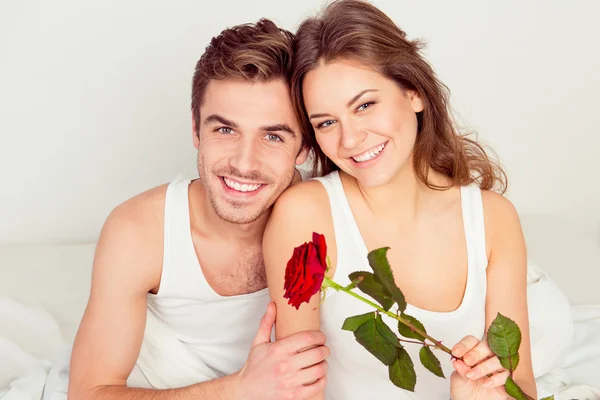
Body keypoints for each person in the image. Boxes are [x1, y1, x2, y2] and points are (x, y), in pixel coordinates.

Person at [264, 1, 536, 399]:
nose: (350, 139)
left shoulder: (493, 219)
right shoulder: (306, 215)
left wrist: (483, 394)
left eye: (365, 105)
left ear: (414, 94)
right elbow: (297, 389)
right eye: (326, 122)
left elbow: (521, 384)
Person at [65, 19, 330, 400]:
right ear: (195, 129)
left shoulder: (324, 219)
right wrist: (239, 390)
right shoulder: (139, 230)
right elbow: (88, 394)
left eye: (273, 136)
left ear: (304, 148)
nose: (243, 162)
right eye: (225, 130)